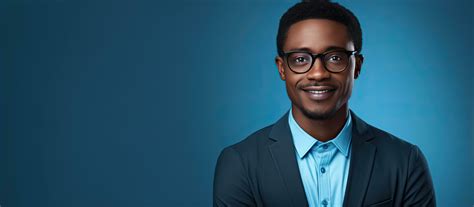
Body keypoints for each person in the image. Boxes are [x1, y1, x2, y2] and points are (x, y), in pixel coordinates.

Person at [213, 0, 436, 206]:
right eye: (301, 59)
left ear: (356, 66)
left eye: (335, 57)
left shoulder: (405, 162)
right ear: (282, 68)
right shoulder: (240, 164)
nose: (318, 73)